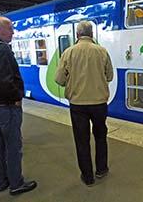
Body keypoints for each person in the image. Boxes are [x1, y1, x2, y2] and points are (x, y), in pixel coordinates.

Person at [55, 21, 113, 186]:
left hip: (78, 104)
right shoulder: (102, 51)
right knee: (101, 136)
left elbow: (58, 79)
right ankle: (101, 169)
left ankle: (87, 177)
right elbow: (109, 76)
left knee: (82, 140)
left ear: (77, 35)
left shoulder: (69, 52)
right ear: (91, 34)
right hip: (99, 103)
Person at [0, 16, 37, 195]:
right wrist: (17, 97)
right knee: (13, 147)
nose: (13, 32)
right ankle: (16, 184)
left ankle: (1, 182)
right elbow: (3, 82)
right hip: (7, 107)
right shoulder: (2, 50)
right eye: (9, 28)